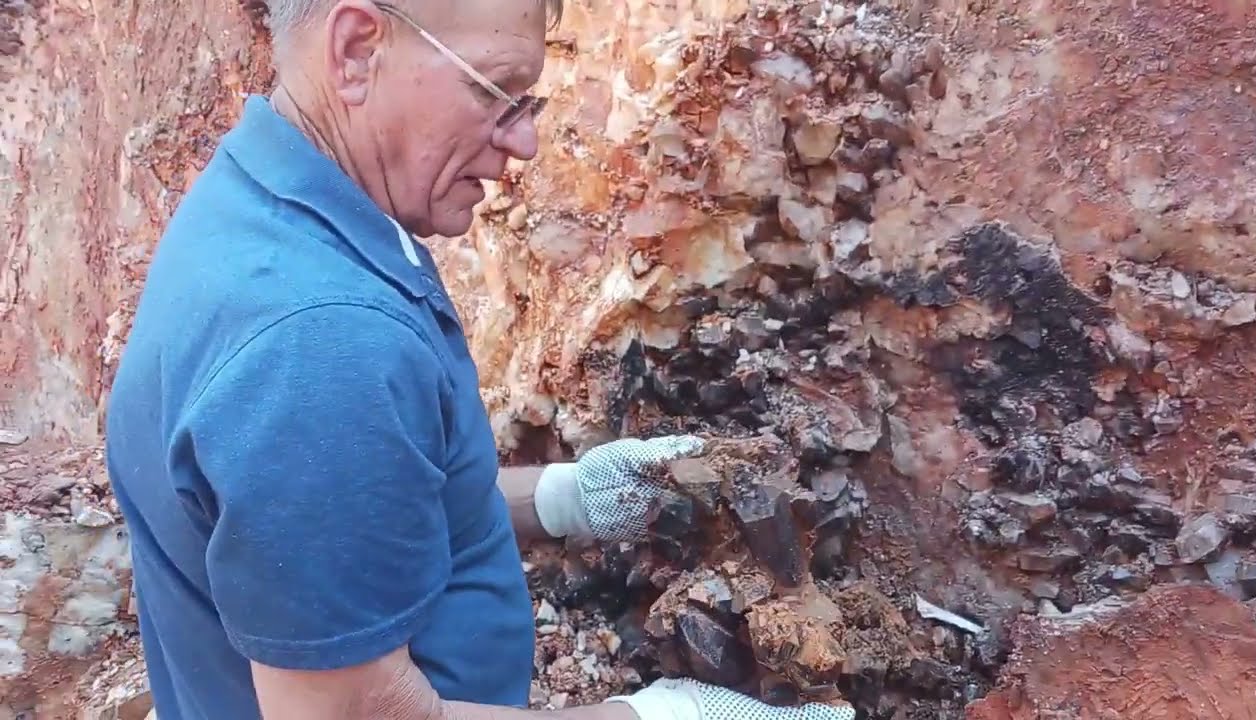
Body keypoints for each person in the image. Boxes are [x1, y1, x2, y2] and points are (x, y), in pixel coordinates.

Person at [105, 1, 857, 719]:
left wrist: (562, 498)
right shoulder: (322, 343)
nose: (523, 141)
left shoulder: (268, 206)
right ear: (357, 51)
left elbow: (359, 509)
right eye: (497, 92)